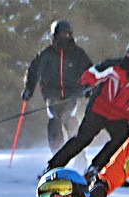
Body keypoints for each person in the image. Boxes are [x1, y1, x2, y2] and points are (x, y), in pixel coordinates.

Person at [45, 39, 129, 183]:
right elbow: (94, 73)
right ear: (128, 56)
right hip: (99, 109)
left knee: (121, 141)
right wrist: (87, 85)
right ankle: (53, 166)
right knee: (83, 138)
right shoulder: (114, 66)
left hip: (119, 116)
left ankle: (96, 169)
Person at [22, 19, 93, 153]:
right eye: (61, 35)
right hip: (52, 94)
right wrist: (28, 89)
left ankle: (79, 157)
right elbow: (33, 71)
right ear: (54, 36)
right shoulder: (46, 54)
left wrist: (89, 88)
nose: (64, 38)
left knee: (70, 121)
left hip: (72, 95)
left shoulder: (77, 54)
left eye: (67, 35)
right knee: (54, 122)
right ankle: (57, 156)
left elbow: (90, 72)